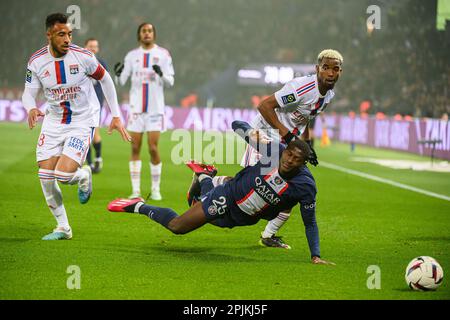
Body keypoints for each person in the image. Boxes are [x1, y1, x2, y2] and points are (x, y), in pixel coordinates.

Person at [108, 120, 335, 265]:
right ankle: (137, 205)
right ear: (284, 152)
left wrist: (315, 255)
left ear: (304, 163)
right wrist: (259, 136)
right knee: (179, 226)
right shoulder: (273, 151)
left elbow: (310, 222)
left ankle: (205, 176)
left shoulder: (305, 186)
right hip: (228, 196)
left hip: (243, 218)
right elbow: (238, 124)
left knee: (197, 204)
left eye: (297, 160)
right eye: (289, 155)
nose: (289, 161)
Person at [203, 49, 343, 249]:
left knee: (292, 191)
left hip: (287, 144)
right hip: (266, 135)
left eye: (335, 69)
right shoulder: (301, 88)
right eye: (326, 68)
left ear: (340, 72)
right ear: (317, 69)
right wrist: (287, 135)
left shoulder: (328, 94)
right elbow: (264, 106)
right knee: (250, 186)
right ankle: (208, 179)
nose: (330, 73)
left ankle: (268, 235)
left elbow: (307, 118)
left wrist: (307, 145)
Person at [22, 13, 131, 240]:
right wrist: (31, 108)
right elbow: (28, 94)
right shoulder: (36, 61)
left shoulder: (83, 57)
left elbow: (106, 79)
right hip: (53, 120)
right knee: (45, 175)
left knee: (62, 175)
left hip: (82, 120)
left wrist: (116, 115)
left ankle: (83, 175)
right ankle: (63, 227)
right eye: (61, 34)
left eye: (70, 34)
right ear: (49, 35)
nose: (67, 39)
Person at [114, 22, 174, 200]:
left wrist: (161, 74)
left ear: (153, 34)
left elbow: (171, 81)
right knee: (134, 147)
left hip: (155, 110)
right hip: (136, 110)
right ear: (139, 35)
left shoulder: (163, 54)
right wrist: (118, 74)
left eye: (149, 31)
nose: (147, 33)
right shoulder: (132, 56)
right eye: (143, 31)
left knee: (153, 148)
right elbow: (122, 81)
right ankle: (136, 190)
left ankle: (155, 189)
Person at [84, 38, 109, 173]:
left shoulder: (102, 63)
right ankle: (90, 163)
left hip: (96, 104)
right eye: (90, 46)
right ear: (85, 47)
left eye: (95, 46)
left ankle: (97, 158)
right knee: (87, 133)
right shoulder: (80, 63)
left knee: (94, 132)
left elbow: (107, 84)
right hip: (82, 105)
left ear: (97, 49)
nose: (93, 48)